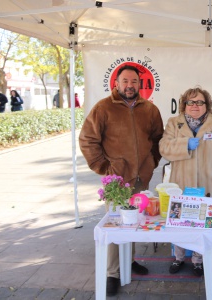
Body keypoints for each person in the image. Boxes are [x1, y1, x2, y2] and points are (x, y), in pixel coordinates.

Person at [79, 65, 164, 296]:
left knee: (135, 223)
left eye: (134, 82)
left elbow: (158, 139)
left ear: (140, 84)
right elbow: (87, 139)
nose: (129, 86)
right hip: (116, 182)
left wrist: (151, 162)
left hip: (140, 179)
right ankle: (112, 273)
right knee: (116, 225)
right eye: (125, 81)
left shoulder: (150, 109)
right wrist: (105, 168)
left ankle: (130, 260)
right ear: (116, 83)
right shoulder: (103, 108)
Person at [159, 86, 212, 277]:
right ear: (184, 105)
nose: (195, 105)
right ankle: (178, 257)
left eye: (199, 102)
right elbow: (164, 147)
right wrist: (184, 144)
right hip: (181, 187)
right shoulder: (173, 123)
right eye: (190, 102)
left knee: (204, 226)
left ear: (206, 105)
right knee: (180, 224)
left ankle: (198, 260)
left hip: (206, 188)